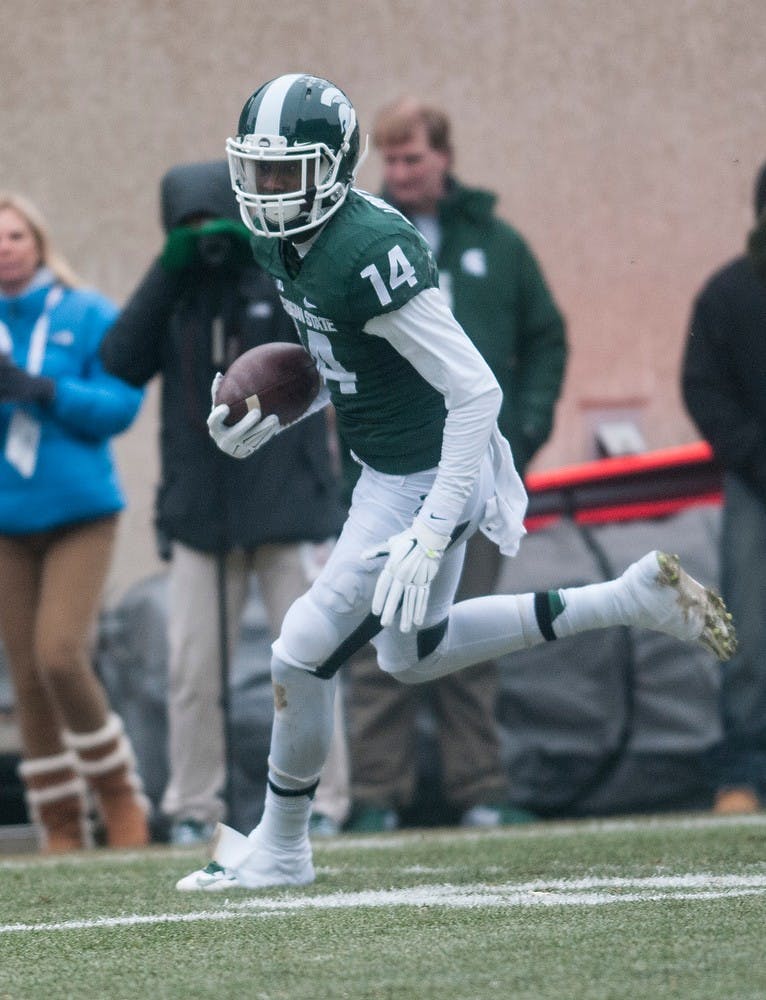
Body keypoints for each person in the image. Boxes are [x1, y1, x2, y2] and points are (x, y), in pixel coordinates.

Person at [177, 74, 735, 892]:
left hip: (441, 464)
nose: (264, 193)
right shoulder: (283, 241)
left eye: (283, 173)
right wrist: (278, 416)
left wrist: (433, 528)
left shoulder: (369, 252)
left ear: (331, 170)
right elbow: (348, 364)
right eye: (256, 171)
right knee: (411, 653)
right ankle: (626, 600)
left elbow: (476, 392)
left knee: (300, 653)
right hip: (391, 467)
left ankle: (284, 849)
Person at [336, 96, 567, 833]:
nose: (400, 173)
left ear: (445, 158)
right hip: (392, 474)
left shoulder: (497, 245)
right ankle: (375, 795)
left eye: (414, 158)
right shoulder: (362, 242)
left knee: (466, 632)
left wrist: (522, 432)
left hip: (472, 475)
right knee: (378, 638)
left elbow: (546, 339)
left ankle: (481, 790)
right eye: (390, 160)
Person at [99, 161, 346, 845]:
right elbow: (117, 360)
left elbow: (324, 348)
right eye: (187, 226)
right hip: (199, 515)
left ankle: (325, 800)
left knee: (310, 654)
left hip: (287, 505)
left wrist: (256, 254)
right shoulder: (175, 293)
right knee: (191, 671)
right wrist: (167, 268)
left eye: (214, 222)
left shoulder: (273, 273)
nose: (205, 237)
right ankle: (193, 807)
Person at [0, 192, 148, 852]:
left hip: (79, 513)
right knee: (26, 671)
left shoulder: (86, 312)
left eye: (15, 236)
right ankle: (59, 821)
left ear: (38, 241)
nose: (5, 248)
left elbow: (118, 407)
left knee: (60, 653)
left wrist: (47, 391)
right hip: (7, 518)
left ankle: (118, 794)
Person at [682, 161, 766, 815]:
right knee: (747, 634)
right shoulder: (728, 295)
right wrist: (753, 455)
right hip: (755, 485)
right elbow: (703, 387)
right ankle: (744, 772)